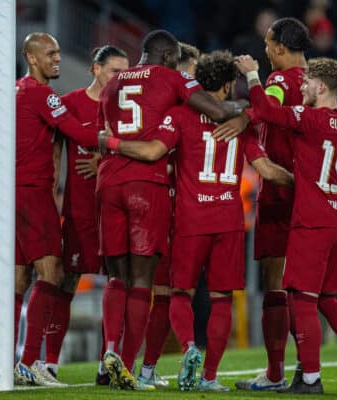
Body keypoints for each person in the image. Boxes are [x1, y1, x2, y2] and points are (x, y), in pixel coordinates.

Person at [101, 50, 293, 392]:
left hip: (190, 219)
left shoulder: (180, 115)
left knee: (178, 293)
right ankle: (209, 377)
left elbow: (154, 152)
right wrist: (300, 182)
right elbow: (266, 171)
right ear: (228, 84)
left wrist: (108, 142)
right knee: (221, 300)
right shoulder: (240, 124)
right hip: (230, 219)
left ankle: (189, 346)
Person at [236, 55, 337, 395]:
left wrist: (253, 75)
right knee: (328, 298)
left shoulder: (308, 119)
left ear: (322, 87)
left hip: (312, 222)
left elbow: (267, 113)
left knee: (302, 299)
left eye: (308, 82)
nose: (302, 87)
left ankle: (310, 378)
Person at [226, 18, 311, 392]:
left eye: (267, 43)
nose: (264, 49)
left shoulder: (277, 80)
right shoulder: (315, 80)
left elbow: (266, 106)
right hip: (312, 193)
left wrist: (245, 110)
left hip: (280, 191)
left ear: (279, 47)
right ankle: (311, 370)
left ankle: (275, 372)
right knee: (308, 288)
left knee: (276, 287)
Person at [13, 32, 101, 386]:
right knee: (52, 273)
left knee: (20, 278)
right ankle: (30, 362)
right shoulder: (42, 95)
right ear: (31, 58)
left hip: (14, 194)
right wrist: (119, 142)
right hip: (34, 193)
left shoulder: (16, 90)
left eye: (59, 53)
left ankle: (7, 363)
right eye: (50, 54)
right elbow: (77, 133)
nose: (57, 59)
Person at [42, 45, 129, 382]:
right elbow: (55, 156)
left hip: (114, 211)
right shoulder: (72, 104)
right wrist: (53, 200)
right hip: (79, 211)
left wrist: (103, 161)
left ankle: (105, 363)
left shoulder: (127, 109)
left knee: (117, 284)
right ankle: (50, 362)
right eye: (114, 72)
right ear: (95, 69)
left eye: (125, 73)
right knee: (66, 283)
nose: (120, 79)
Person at [137, 42, 201, 389]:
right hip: (176, 209)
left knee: (162, 293)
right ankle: (140, 363)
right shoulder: (182, 112)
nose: (193, 80)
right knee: (166, 292)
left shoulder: (169, 111)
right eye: (191, 71)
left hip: (170, 206)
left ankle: (146, 368)